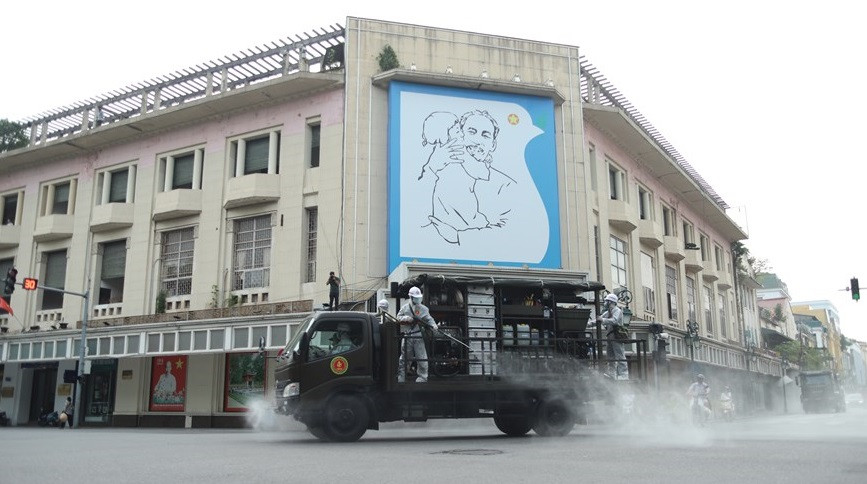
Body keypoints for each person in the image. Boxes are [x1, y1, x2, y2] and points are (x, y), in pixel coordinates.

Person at [396, 286, 438, 383]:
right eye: (416, 297)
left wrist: (434, 325)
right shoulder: (405, 308)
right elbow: (398, 318)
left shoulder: (424, 309)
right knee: (404, 357)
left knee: (421, 357)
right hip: (407, 335)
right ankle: (401, 376)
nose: (418, 299)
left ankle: (423, 377)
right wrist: (407, 318)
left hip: (418, 336)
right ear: (411, 297)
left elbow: (429, 319)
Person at [597, 293, 628, 380]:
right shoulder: (608, 312)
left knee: (620, 355)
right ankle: (612, 374)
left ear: (611, 301)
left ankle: (624, 375)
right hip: (610, 336)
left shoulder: (617, 311)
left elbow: (614, 320)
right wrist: (587, 324)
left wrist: (602, 319)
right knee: (610, 356)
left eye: (606, 301)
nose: (605, 302)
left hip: (617, 336)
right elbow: (599, 319)